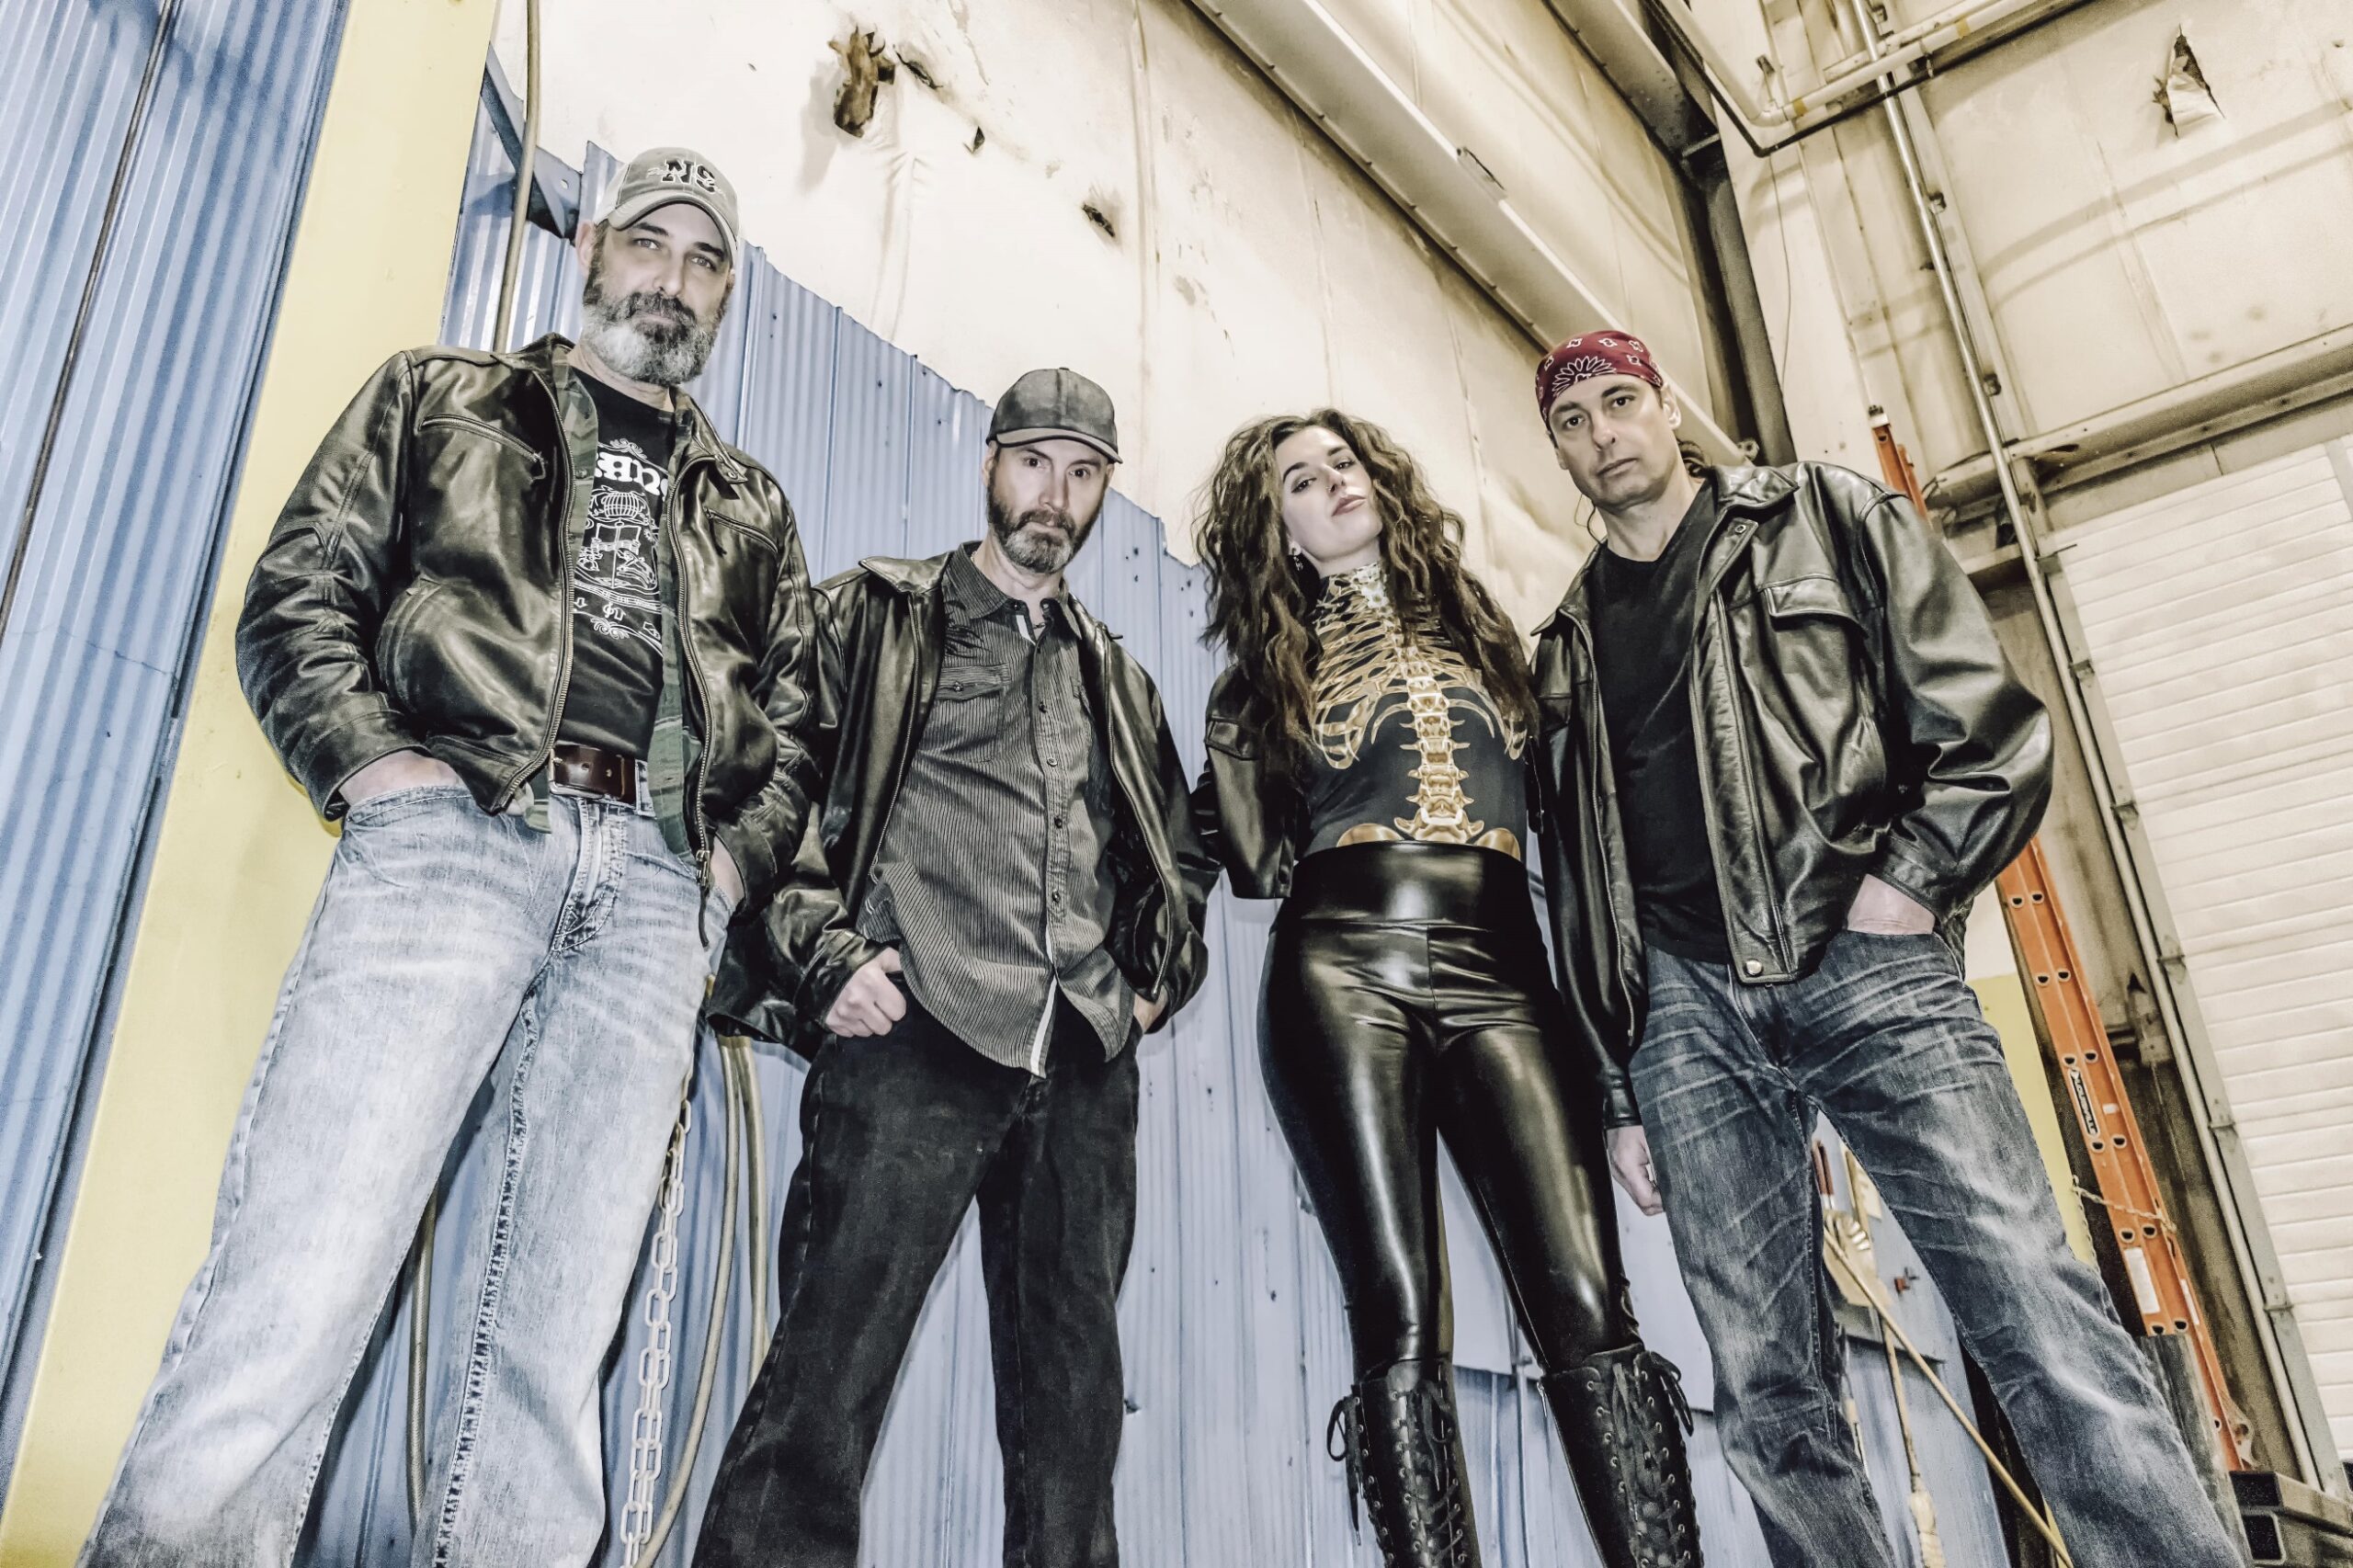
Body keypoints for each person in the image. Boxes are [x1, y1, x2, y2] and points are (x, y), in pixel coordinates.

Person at [77, 148, 821, 1568]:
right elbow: (299, 590)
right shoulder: (442, 396)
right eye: (649, 245)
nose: (670, 282)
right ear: (591, 249)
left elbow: (794, 727)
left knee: (561, 1331)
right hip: (463, 829)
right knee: (309, 1262)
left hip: (657, 892)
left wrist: (726, 873)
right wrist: (379, 768)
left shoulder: (754, 507)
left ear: (726, 295)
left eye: (703, 261)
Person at [1529, 329, 2245, 1568]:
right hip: (1685, 1020)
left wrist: (1908, 883)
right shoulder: (1568, 643)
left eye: (1620, 401)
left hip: (1867, 963)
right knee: (1765, 1387)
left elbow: (1988, 724)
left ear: (1667, 410)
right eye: (1572, 420)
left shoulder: (1826, 515)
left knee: (2031, 1307)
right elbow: (1587, 887)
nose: (1603, 433)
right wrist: (1618, 1084)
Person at [693, 368, 1209, 1568]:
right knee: (829, 1375)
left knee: (1073, 1414)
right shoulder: (872, 613)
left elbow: (1174, 857)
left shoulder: (1117, 677)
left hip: (1079, 1053)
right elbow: (771, 785)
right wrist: (825, 957)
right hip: (914, 1023)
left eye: (1082, 474)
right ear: (990, 465)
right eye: (1034, 463)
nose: (1054, 496)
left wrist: (1146, 986)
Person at [1188, 410, 1701, 1568]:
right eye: (1300, 482)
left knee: (1588, 1303)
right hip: (1340, 963)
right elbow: (1204, 840)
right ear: (1278, 530)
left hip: (1504, 961)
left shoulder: (1498, 643)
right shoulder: (1264, 677)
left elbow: (1592, 842)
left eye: (1343, 463)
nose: (1332, 484)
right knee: (1400, 1310)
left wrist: (1625, 1079)